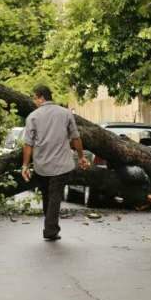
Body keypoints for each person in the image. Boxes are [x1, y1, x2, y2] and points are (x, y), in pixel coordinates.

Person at [22, 85, 89, 241]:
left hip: (42, 165)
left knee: (48, 195)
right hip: (61, 165)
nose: (34, 101)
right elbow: (75, 138)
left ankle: (50, 228)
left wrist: (25, 165)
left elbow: (28, 144)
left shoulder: (32, 116)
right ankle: (51, 229)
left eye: (35, 98)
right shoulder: (65, 113)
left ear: (41, 97)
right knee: (54, 196)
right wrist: (81, 157)